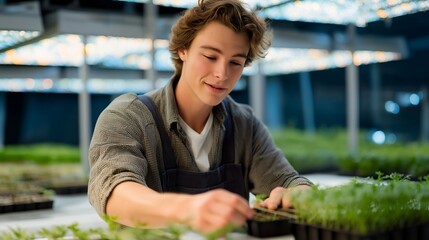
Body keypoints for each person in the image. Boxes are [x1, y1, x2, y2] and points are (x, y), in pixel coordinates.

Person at [88, 0, 313, 234]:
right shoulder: (127, 117)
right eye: (210, 56)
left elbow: (288, 180)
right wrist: (187, 210)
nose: (222, 74)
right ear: (183, 50)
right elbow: (113, 193)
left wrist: (298, 192)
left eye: (235, 62)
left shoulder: (244, 124)